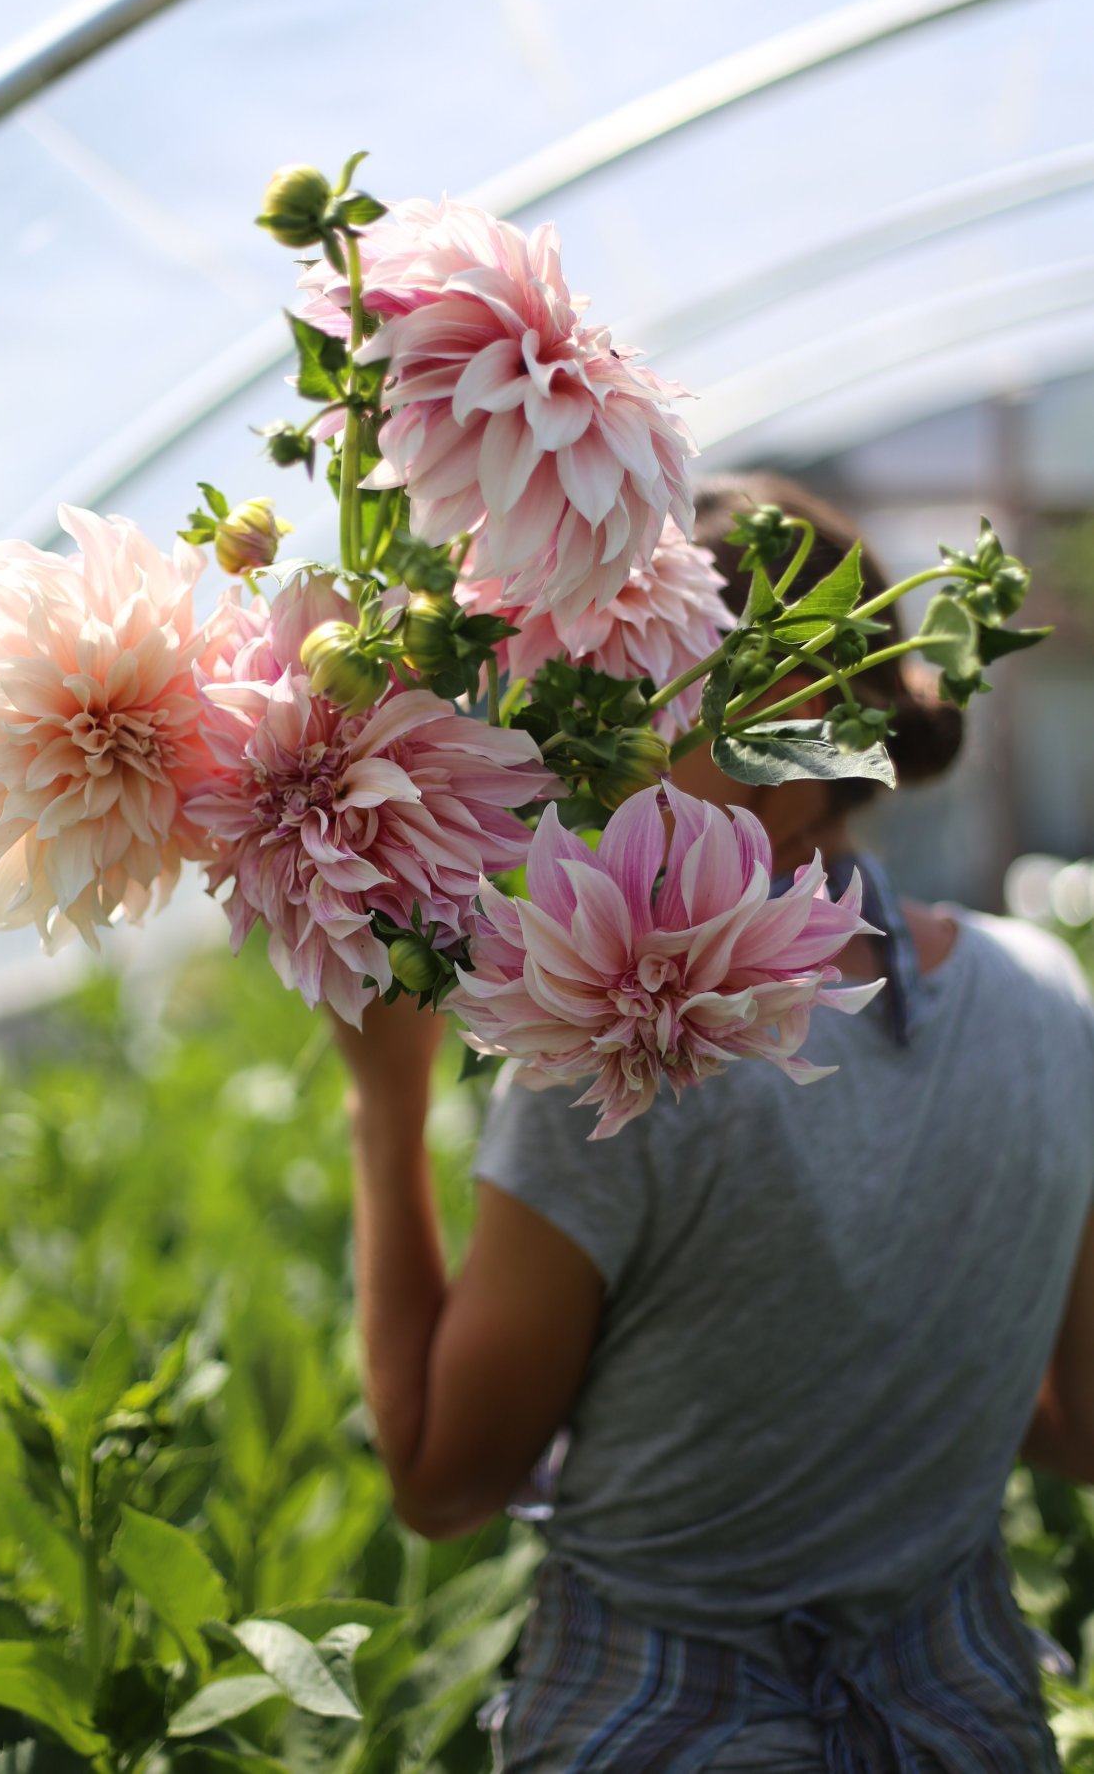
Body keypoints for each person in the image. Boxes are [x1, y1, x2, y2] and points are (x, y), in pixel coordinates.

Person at [330, 472, 1094, 1772]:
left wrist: (382, 1103)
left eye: (621, 712)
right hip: (962, 1725)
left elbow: (442, 1484)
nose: (565, 771)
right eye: (564, 709)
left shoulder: (632, 1055)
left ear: (785, 758)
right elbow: (1077, 1432)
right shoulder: (1048, 998)